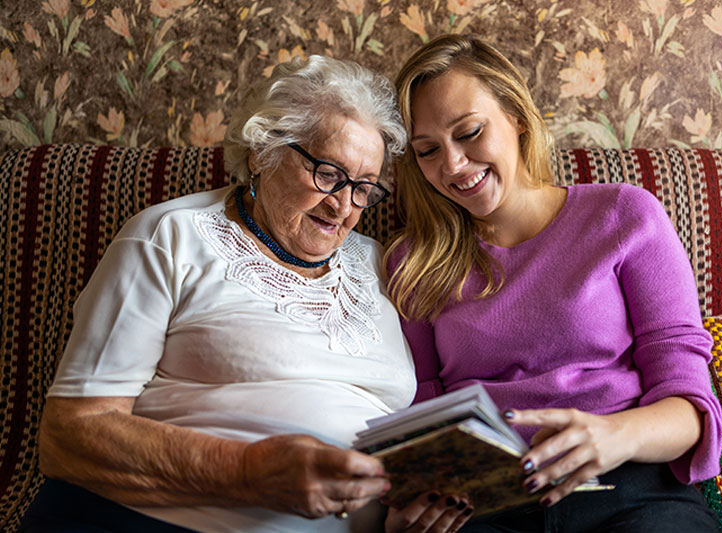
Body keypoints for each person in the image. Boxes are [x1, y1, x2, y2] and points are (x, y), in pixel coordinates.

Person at [24, 55, 473, 533]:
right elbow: (68, 435)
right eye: (328, 174)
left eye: (364, 188)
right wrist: (247, 472)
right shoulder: (169, 237)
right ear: (263, 151)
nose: (343, 206)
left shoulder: (380, 264)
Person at [385, 34, 722, 532]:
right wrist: (406, 509)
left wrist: (613, 436)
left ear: (516, 119)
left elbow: (691, 408)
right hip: (486, 505)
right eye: (428, 150)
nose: (453, 165)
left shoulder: (625, 215)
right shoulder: (412, 260)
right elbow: (420, 410)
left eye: (470, 131)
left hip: (630, 486)